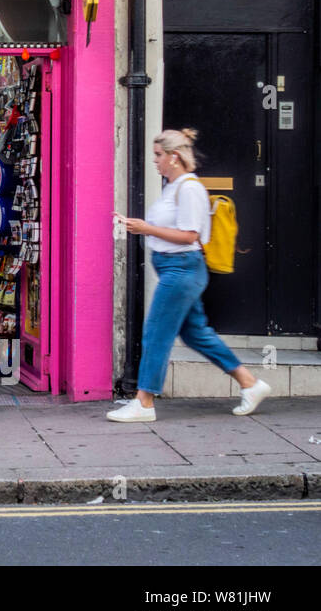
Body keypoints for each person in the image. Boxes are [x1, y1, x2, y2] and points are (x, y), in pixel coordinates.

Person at [109, 128, 270, 422]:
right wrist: (139, 226)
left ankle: (143, 403)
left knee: (156, 332)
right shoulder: (173, 187)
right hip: (176, 269)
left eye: (158, 155)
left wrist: (145, 228)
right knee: (197, 334)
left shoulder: (190, 188)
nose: (155, 161)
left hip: (182, 268)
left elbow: (189, 235)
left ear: (174, 157)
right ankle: (251, 383)